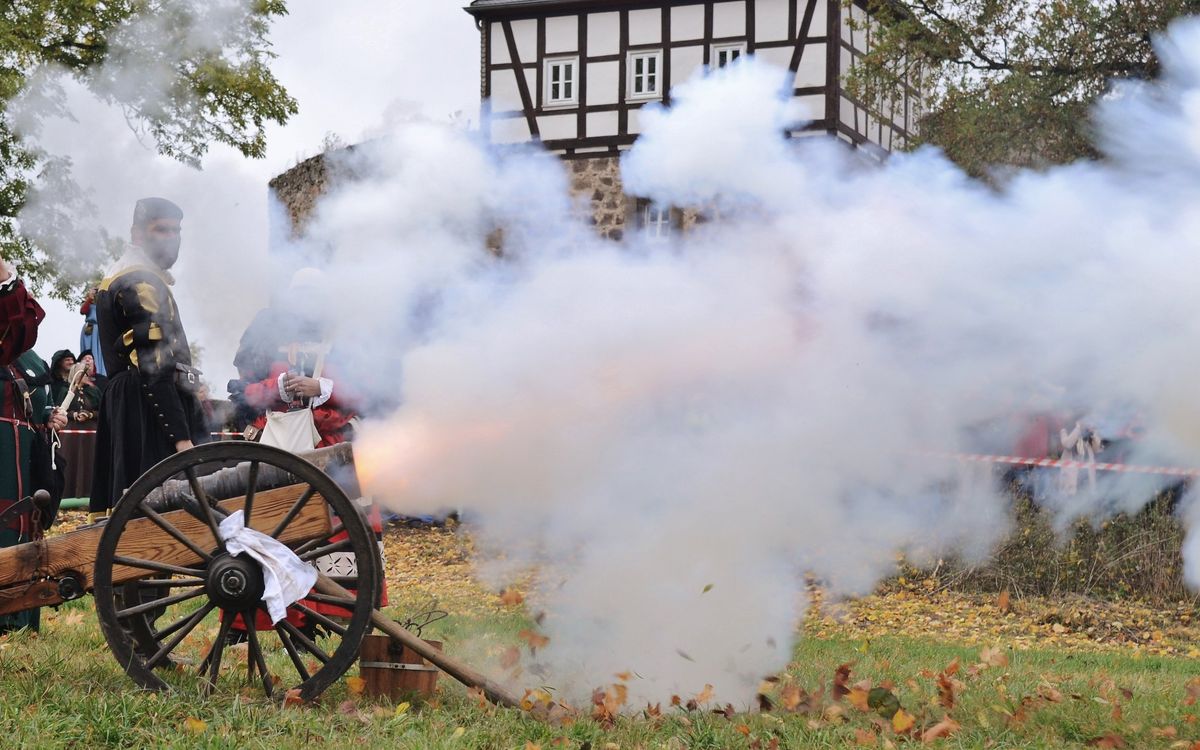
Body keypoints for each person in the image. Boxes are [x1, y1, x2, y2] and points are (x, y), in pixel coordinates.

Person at [89, 198, 208, 522]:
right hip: (146, 405)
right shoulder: (140, 281)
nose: (172, 237)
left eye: (176, 230)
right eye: (162, 230)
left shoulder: (125, 273)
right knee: (158, 518)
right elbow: (153, 365)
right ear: (137, 234)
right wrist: (182, 439)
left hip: (133, 398)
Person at [0, 259, 65, 633]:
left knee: (24, 525)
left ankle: (20, 616)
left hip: (21, 456)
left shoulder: (29, 358)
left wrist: (49, 415)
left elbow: (34, 395)